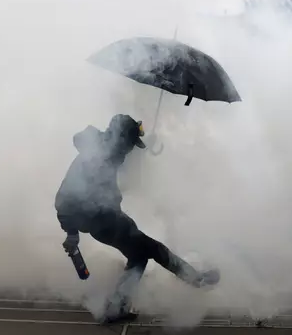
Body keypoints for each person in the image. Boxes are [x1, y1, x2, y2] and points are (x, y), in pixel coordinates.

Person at [54, 114, 219, 323]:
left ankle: (116, 307)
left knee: (139, 256)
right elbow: (64, 198)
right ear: (120, 138)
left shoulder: (108, 152)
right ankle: (197, 280)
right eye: (131, 143)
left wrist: (147, 145)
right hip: (102, 221)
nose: (131, 149)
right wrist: (71, 233)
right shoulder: (95, 157)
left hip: (109, 219)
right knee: (153, 248)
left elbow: (130, 176)